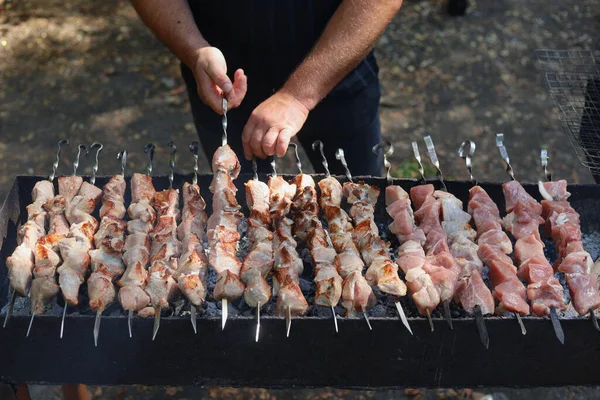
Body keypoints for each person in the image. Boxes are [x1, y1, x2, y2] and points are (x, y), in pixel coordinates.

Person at [130, 0, 404, 176]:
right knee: (239, 207)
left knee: (358, 198)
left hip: (338, 75)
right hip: (222, 84)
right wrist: (194, 50)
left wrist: (297, 96)